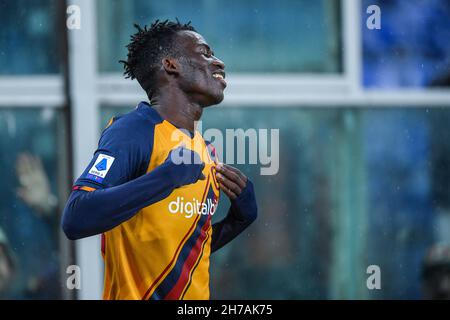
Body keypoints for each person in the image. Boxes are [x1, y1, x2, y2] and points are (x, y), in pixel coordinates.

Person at [61, 19, 258, 300]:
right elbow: (76, 217)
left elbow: (176, 249)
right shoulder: (133, 131)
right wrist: (163, 179)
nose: (219, 62)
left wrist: (237, 221)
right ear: (170, 65)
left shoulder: (206, 151)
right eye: (205, 53)